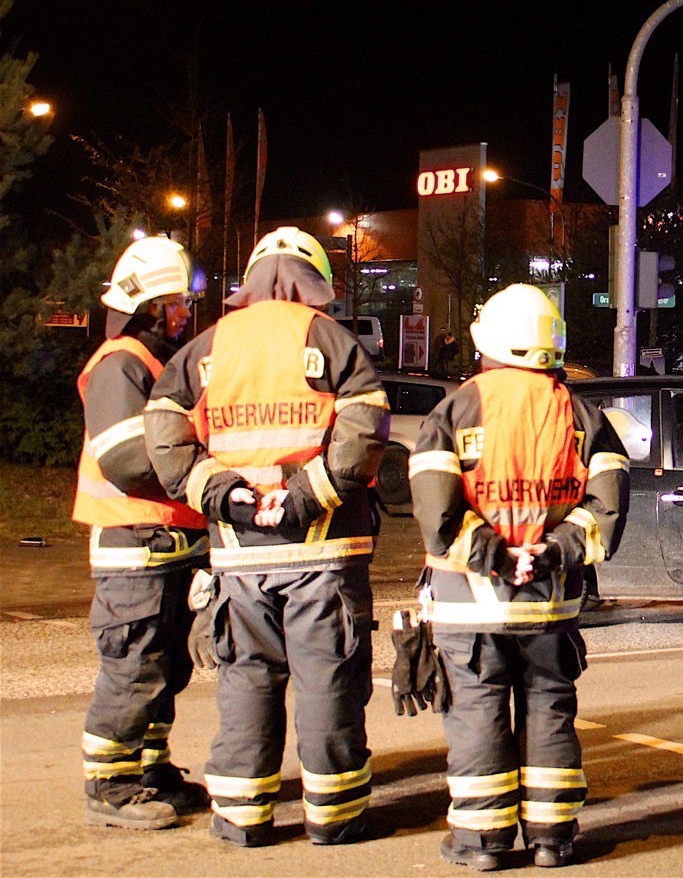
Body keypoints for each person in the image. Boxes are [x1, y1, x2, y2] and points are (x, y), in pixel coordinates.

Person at [145, 227, 390, 846]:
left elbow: (165, 430)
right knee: (328, 683)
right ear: (315, 281)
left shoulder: (206, 346)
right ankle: (333, 817)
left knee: (246, 681)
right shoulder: (333, 340)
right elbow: (364, 429)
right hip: (324, 549)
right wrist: (306, 496)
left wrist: (222, 492)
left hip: (238, 556)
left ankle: (242, 815)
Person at [408, 284, 629, 870]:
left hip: (469, 603)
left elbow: (437, 516)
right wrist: (550, 551)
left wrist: (497, 555)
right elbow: (606, 510)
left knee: (476, 711)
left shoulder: (453, 410)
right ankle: (553, 838)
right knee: (550, 706)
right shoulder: (584, 416)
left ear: (489, 343)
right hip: (549, 603)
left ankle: (482, 842)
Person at [73, 237, 211, 830]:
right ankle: (109, 782)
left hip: (165, 545)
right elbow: (128, 459)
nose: (186, 313)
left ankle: (150, 768)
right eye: (177, 303)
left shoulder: (155, 365)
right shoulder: (121, 363)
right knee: (134, 665)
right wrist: (204, 472)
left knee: (164, 667)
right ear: (150, 305)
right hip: (133, 546)